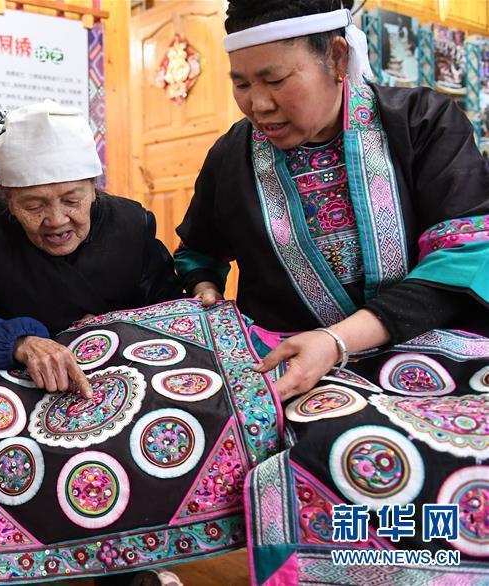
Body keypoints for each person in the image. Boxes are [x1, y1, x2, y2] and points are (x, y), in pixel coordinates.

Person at [174, 1, 488, 583]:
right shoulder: (231, 156)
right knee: (328, 449)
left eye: (274, 80)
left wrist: (337, 341)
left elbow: (464, 263)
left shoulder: (423, 122)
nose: (257, 104)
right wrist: (204, 290)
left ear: (337, 58)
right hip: (301, 365)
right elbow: (197, 250)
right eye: (241, 83)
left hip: (435, 346)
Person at [0, 101, 183, 396]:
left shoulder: (132, 224)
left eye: (72, 201)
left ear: (93, 190)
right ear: (8, 201)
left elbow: (170, 316)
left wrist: (110, 330)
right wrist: (21, 342)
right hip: (21, 387)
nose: (57, 220)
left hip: (120, 381)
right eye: (33, 206)